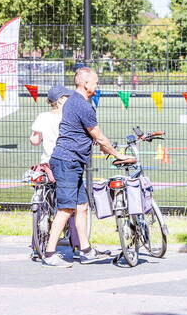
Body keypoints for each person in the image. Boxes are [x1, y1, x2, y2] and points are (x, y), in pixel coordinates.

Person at [41, 67, 136, 267]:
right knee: (66, 209)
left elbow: (83, 133)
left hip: (73, 161)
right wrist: (117, 154)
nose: (97, 85)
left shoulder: (74, 101)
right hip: (67, 161)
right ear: (85, 83)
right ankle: (49, 253)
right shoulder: (82, 105)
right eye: (95, 81)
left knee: (81, 207)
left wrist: (102, 147)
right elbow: (98, 135)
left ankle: (85, 251)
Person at [29, 85, 71, 163]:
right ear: (60, 100)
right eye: (67, 96)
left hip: (48, 161)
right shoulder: (70, 117)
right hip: (67, 160)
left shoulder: (42, 117)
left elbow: (34, 141)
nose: (70, 98)